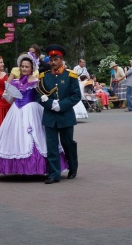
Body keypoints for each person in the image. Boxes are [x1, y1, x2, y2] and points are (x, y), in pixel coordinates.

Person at [0, 52, 68, 175]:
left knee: (36, 137)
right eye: (22, 66)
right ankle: (16, 168)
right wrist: (7, 95)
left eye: (27, 67)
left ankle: (38, 167)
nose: (24, 69)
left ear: (32, 68)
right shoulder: (15, 82)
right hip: (16, 111)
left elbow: (42, 95)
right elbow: (11, 100)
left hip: (32, 110)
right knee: (16, 137)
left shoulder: (36, 81)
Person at [37, 44, 81, 184]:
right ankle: (54, 174)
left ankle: (73, 167)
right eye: (51, 59)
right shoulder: (44, 76)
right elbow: (39, 95)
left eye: (56, 59)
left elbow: (76, 96)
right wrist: (50, 104)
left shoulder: (70, 75)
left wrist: (61, 105)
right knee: (51, 145)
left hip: (65, 115)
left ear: (61, 59)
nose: (53, 62)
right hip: (50, 116)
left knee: (68, 143)